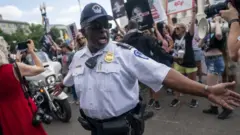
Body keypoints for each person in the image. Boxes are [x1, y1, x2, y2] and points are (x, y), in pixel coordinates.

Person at [62, 3, 240, 135]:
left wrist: (206, 90)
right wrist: (61, 85)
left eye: (105, 25)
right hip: (94, 130)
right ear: (83, 31)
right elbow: (70, 78)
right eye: (96, 26)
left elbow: (163, 74)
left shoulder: (124, 53)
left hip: (124, 130)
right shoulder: (78, 57)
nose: (103, 30)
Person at [0, 40, 47, 135]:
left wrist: (17, 60)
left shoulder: (15, 67)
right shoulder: (15, 67)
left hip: (4, 114)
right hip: (22, 109)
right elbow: (40, 68)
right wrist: (32, 51)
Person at [199, 16, 228, 119]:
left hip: (215, 61)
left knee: (214, 88)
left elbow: (219, 35)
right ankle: (214, 107)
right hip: (210, 61)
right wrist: (204, 33)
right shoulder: (210, 34)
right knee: (213, 87)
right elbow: (199, 45)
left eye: (213, 20)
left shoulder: (221, 31)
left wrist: (217, 22)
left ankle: (227, 108)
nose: (212, 22)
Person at [170, 8, 199, 108]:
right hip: (179, 63)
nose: (176, 30)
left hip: (189, 63)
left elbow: (191, 28)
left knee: (192, 83)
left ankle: (194, 99)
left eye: (178, 28)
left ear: (183, 29)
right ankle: (176, 98)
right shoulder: (175, 37)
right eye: (175, 28)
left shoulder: (188, 36)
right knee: (177, 83)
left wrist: (194, 14)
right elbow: (170, 26)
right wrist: (168, 15)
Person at [193, 19, 203, 83]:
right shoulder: (191, 29)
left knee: (198, 66)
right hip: (192, 49)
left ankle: (200, 80)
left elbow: (200, 38)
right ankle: (198, 79)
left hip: (197, 49)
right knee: (196, 66)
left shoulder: (198, 29)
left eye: (191, 22)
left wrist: (197, 39)